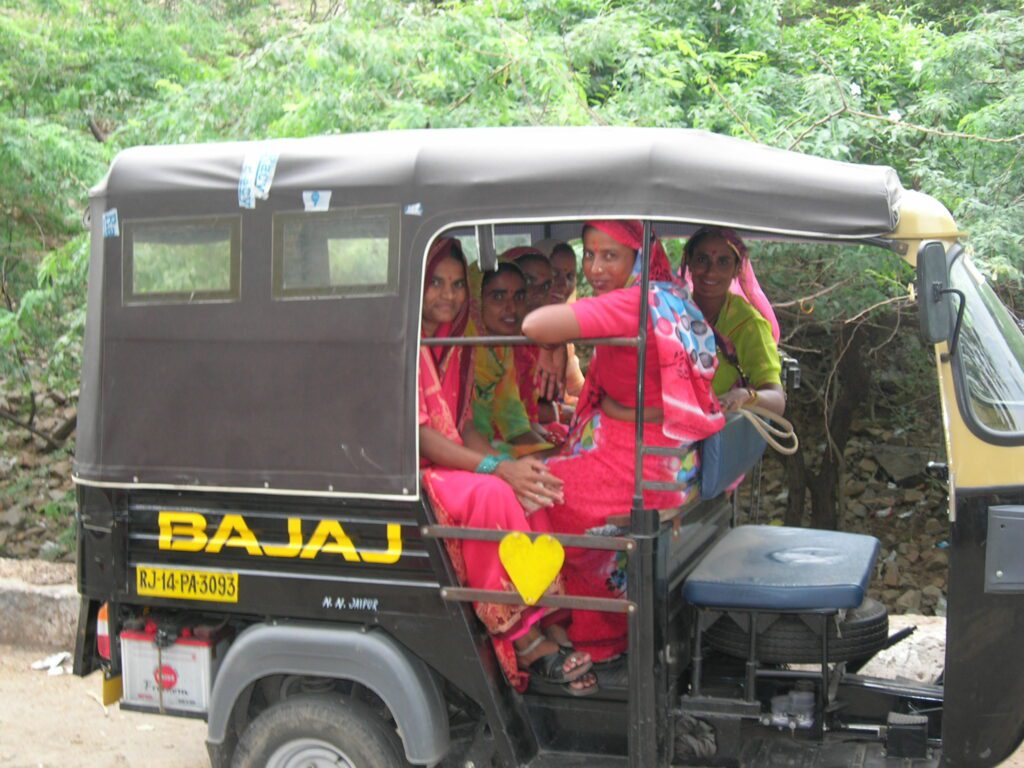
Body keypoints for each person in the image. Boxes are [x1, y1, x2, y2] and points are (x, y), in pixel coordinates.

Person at [521, 221, 723, 662]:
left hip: (637, 460)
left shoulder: (634, 301)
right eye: (589, 254)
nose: (594, 268)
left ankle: (581, 629)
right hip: (657, 455)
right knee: (542, 475)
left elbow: (536, 322)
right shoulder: (668, 292)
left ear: (639, 256)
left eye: (609, 256)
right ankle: (575, 617)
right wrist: (559, 342)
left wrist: (554, 340)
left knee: (528, 495)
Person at [418, 236, 596, 695]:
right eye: (436, 282)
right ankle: (521, 636)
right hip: (415, 468)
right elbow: (424, 437)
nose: (447, 294)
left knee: (532, 487)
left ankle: (547, 616)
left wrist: (505, 464)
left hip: (449, 458)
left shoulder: (456, 343)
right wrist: (495, 470)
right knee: (494, 492)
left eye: (457, 285)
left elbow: (466, 425)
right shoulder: (411, 344)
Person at [681, 226, 785, 416]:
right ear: (689, 261)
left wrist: (745, 396)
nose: (711, 272)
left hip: (723, 437)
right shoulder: (669, 311)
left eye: (723, 262)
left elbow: (777, 401)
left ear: (737, 269)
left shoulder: (749, 325)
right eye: (702, 260)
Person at [471, 262, 552, 457]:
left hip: (488, 446)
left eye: (519, 297)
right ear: (477, 300)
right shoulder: (462, 348)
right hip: (463, 451)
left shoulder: (501, 349)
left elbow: (512, 417)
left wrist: (551, 455)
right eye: (498, 297)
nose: (511, 308)